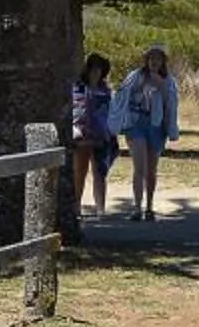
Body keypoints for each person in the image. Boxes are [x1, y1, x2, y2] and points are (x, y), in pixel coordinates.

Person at [108, 45, 179, 221]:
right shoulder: (135, 76)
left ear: (163, 62)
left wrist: (161, 87)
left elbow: (172, 104)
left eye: (158, 58)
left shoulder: (168, 81)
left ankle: (149, 207)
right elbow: (122, 96)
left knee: (152, 170)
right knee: (139, 167)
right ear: (146, 60)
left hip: (156, 126)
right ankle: (137, 208)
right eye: (151, 58)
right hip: (136, 124)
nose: (154, 61)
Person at [67, 54, 116, 218]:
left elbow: (111, 113)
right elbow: (76, 111)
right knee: (79, 172)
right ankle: (76, 207)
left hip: (101, 135)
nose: (95, 73)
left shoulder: (106, 91)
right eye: (92, 69)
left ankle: (100, 208)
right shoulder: (78, 87)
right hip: (82, 135)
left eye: (99, 69)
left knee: (100, 173)